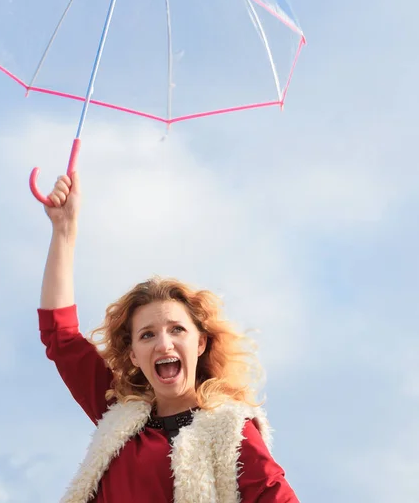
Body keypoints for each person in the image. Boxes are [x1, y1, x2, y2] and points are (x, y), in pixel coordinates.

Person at [38, 173, 300, 503]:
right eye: (147, 335)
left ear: (201, 343)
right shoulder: (118, 414)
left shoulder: (232, 431)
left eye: (177, 329)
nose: (164, 344)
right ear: (133, 353)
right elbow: (60, 336)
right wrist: (64, 230)